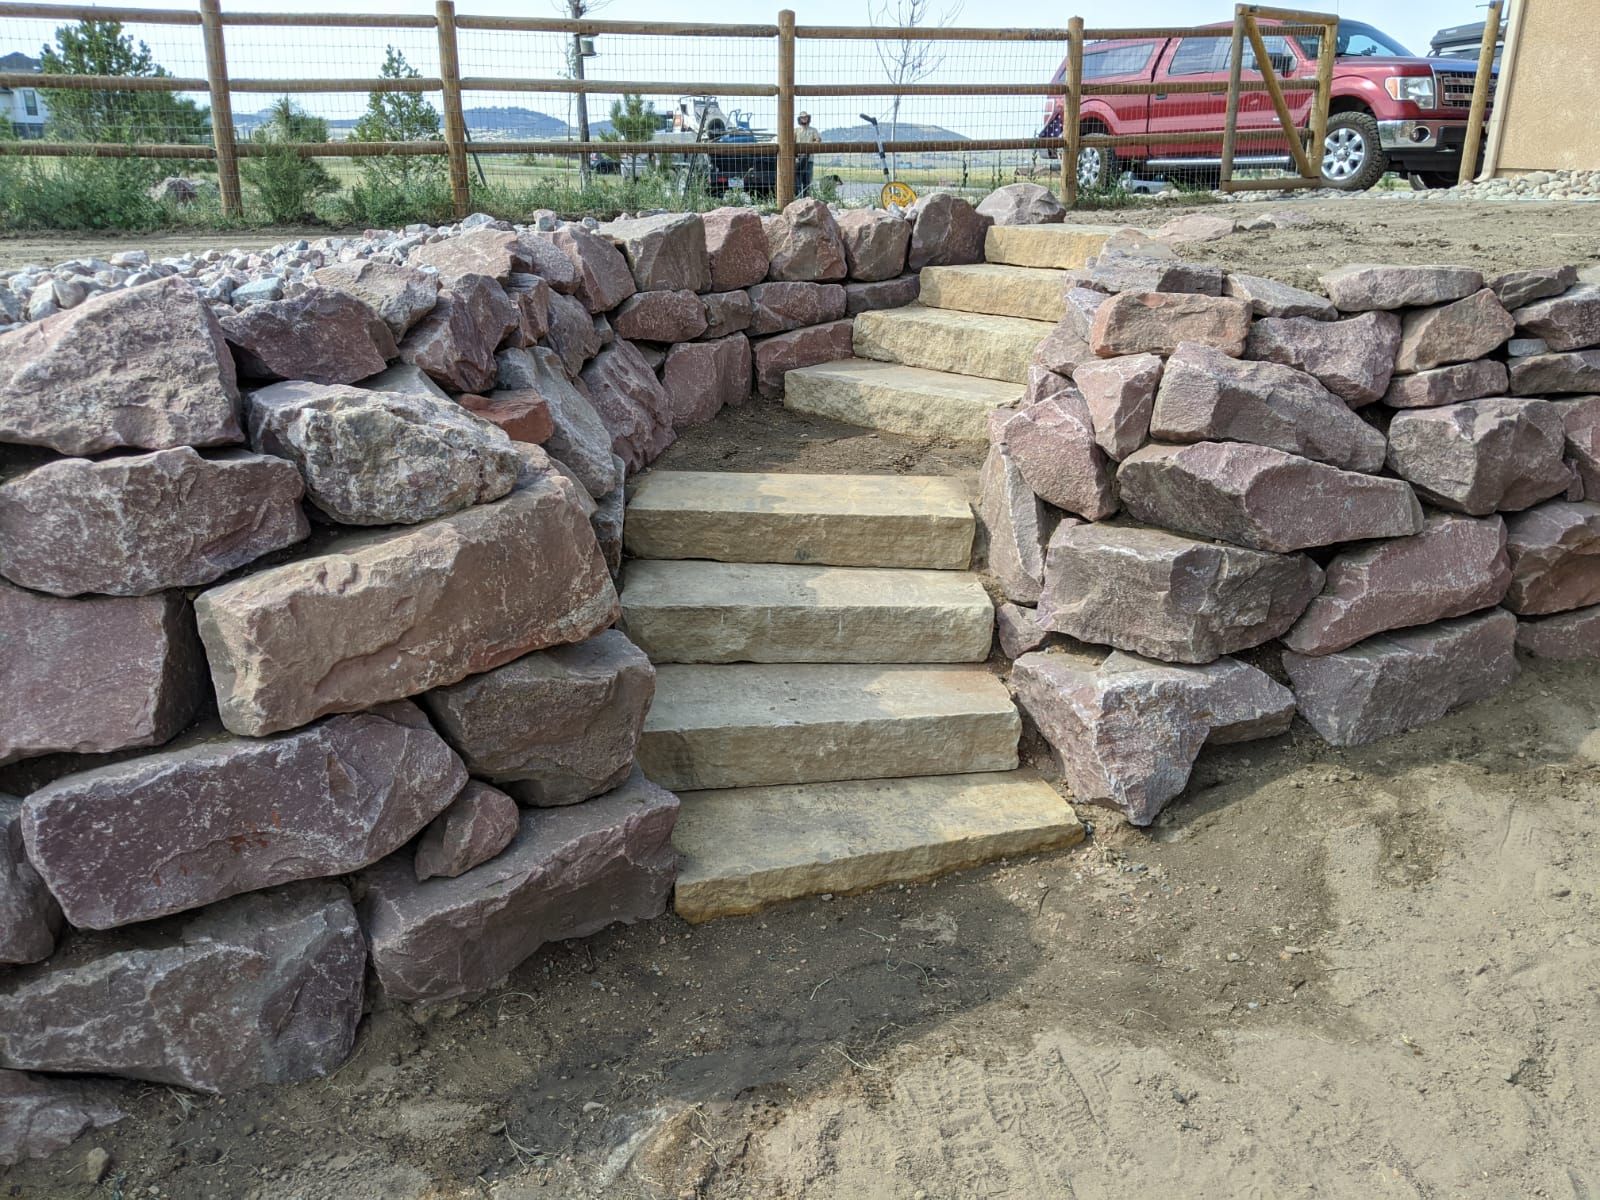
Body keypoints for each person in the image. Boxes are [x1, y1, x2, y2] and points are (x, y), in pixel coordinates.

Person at [795, 111, 820, 194]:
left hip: (809, 159)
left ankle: (806, 199)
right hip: (798, 159)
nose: (804, 119)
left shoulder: (813, 130)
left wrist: (813, 145)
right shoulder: (796, 130)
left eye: (805, 117)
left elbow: (818, 140)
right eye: (802, 117)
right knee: (797, 180)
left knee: (807, 181)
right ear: (799, 119)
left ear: (808, 118)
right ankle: (797, 198)